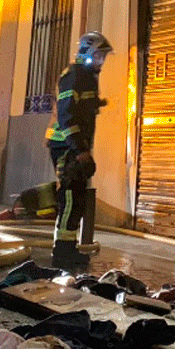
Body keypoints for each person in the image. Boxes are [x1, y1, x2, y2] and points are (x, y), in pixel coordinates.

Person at [46, 31, 111, 268]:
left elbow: (80, 107)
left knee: (77, 198)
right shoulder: (74, 76)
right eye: (99, 56)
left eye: (103, 57)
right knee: (70, 198)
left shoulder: (86, 77)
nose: (101, 61)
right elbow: (66, 115)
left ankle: (68, 248)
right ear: (86, 53)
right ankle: (62, 252)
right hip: (66, 146)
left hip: (74, 145)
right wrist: (80, 150)